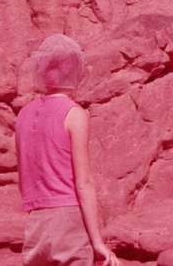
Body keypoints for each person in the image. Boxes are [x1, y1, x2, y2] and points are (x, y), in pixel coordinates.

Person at [15, 34, 120, 266]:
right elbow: (84, 183)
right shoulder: (75, 114)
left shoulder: (22, 115)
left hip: (35, 224)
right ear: (77, 72)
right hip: (68, 219)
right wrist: (97, 241)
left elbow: (24, 177)